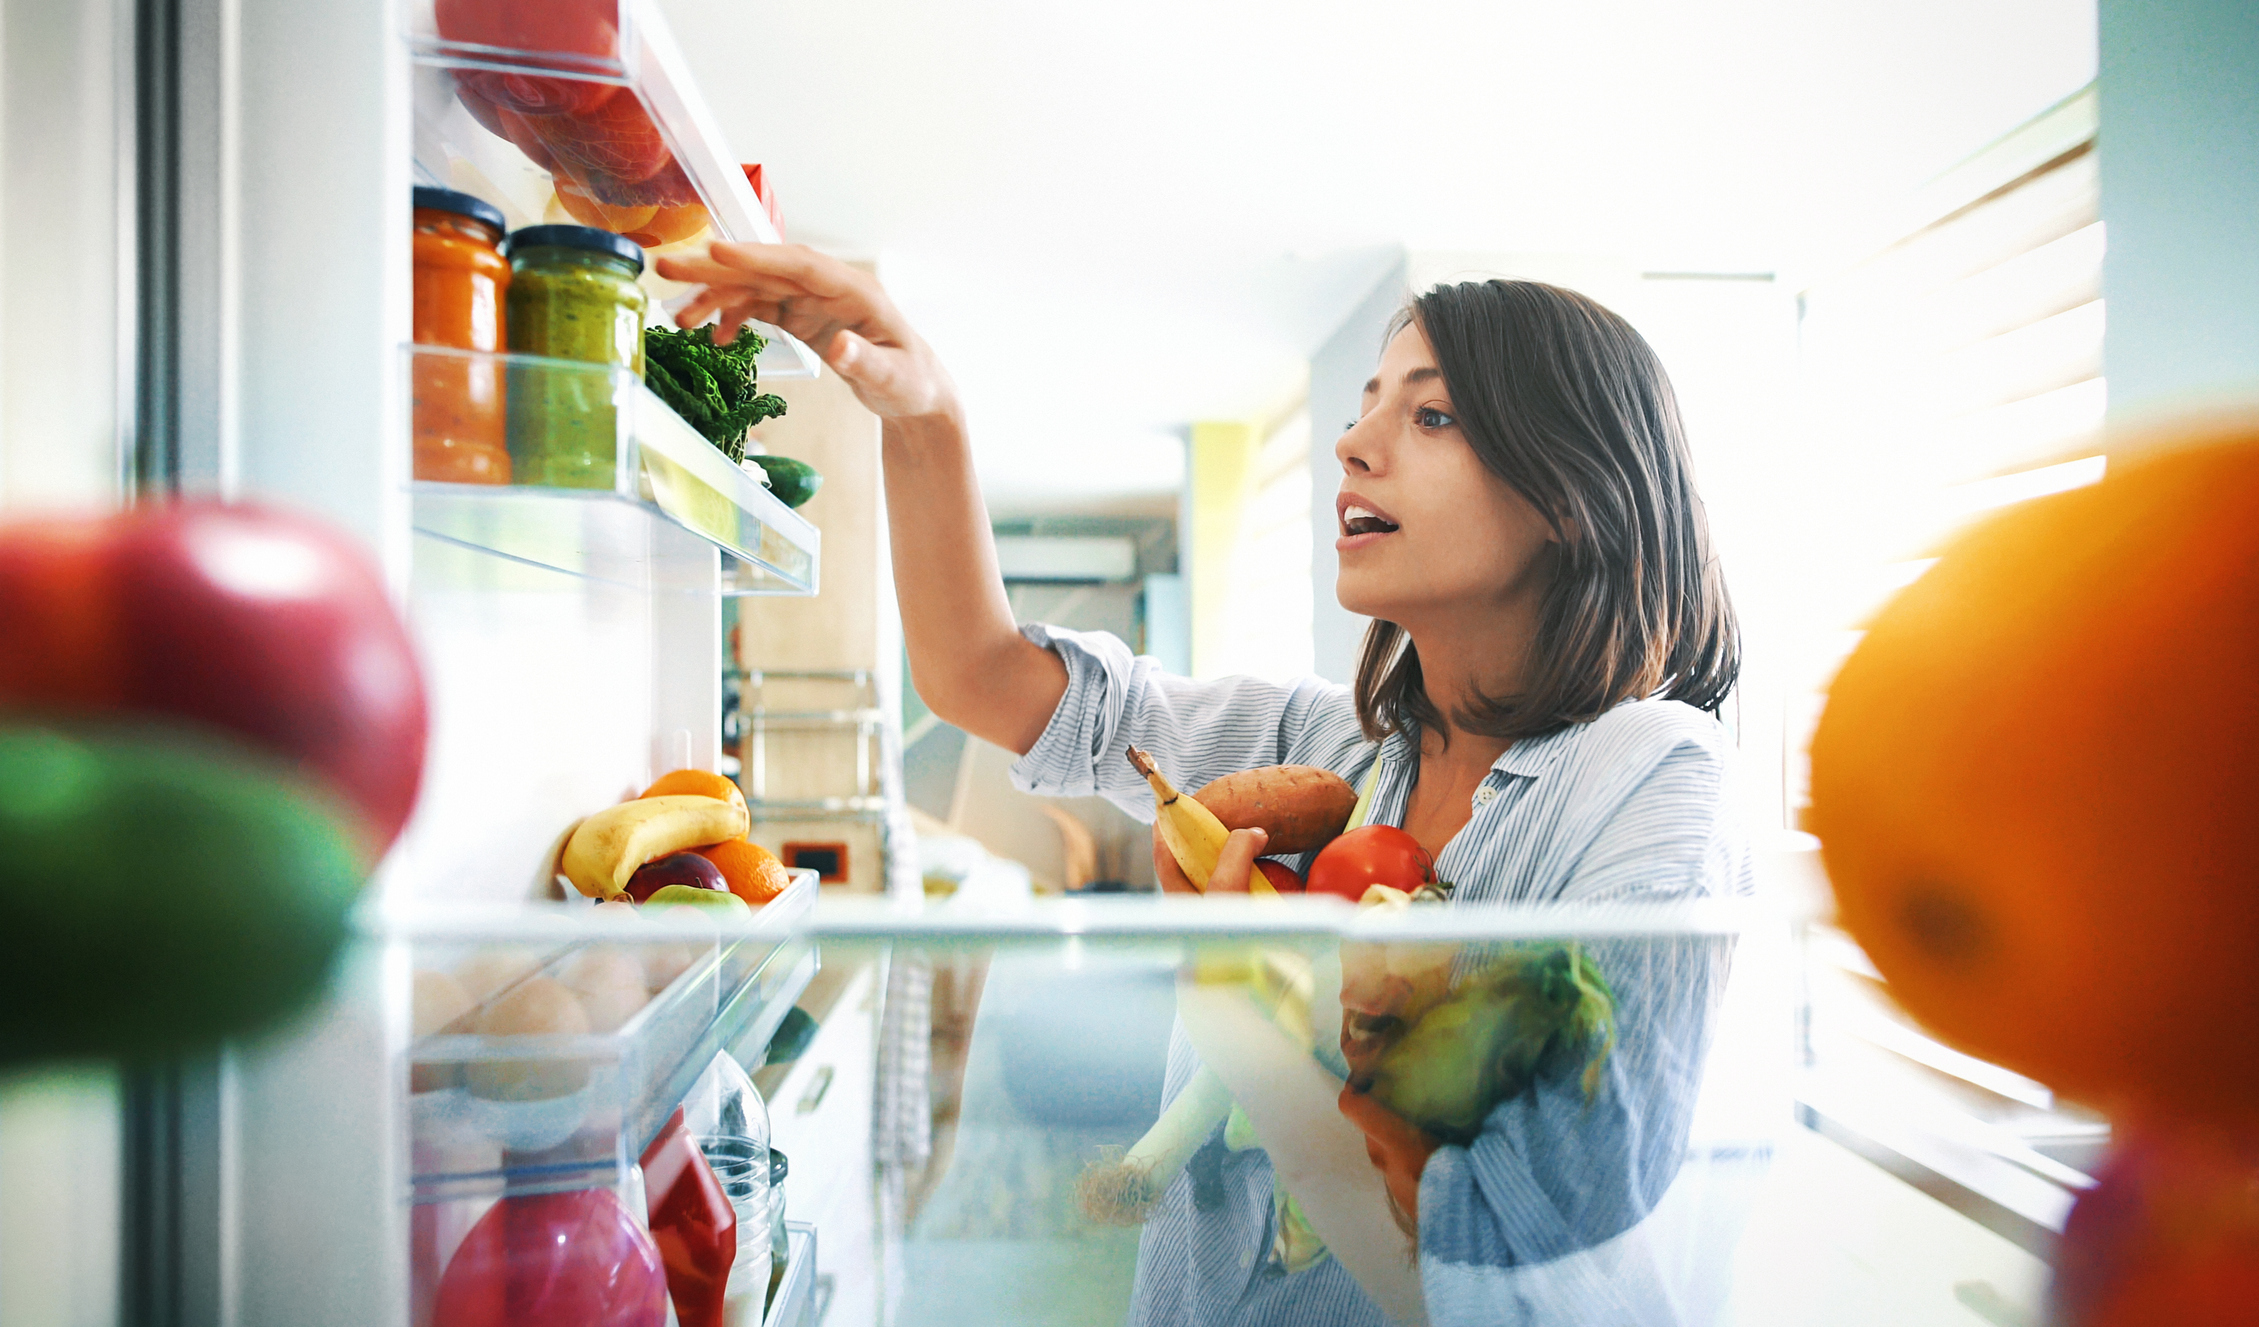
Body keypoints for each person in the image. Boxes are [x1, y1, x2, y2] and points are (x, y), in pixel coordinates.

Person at [657, 244, 1751, 1326]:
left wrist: (1235, 1005)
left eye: (1430, 416)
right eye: (1368, 402)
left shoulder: (1653, 777)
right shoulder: (1333, 744)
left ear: (1571, 492)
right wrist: (923, 411)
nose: (1353, 440)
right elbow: (980, 675)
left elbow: (1504, 1250)